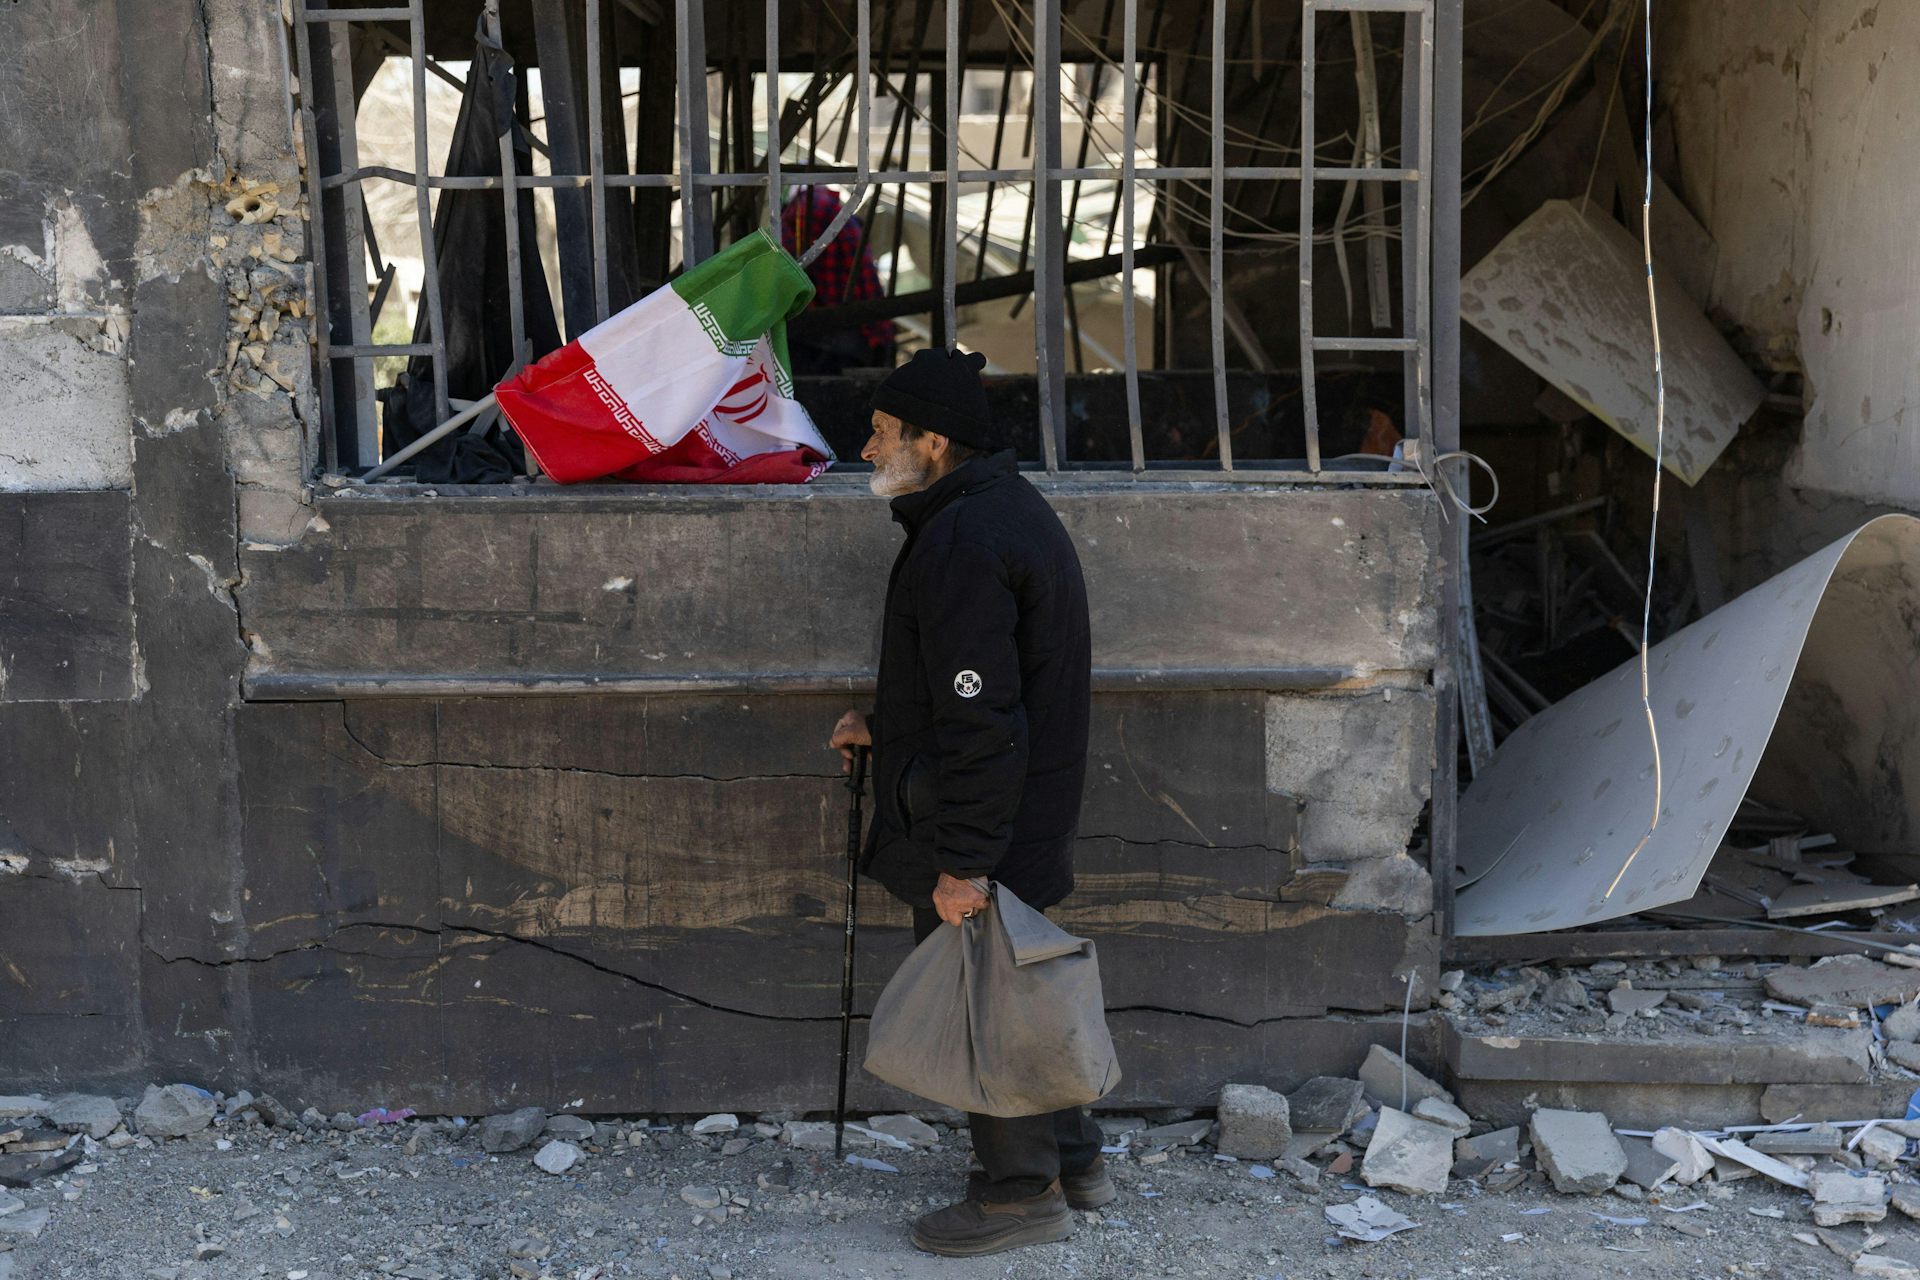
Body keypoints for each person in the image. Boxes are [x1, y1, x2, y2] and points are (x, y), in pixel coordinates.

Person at [828, 347, 1106, 1257]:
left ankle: (1019, 1195)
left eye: (880, 432)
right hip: (1015, 809)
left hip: (986, 824)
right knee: (1020, 990)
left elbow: (984, 720)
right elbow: (978, 685)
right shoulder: (992, 512)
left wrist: (965, 865)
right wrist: (891, 725)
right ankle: (1073, 1160)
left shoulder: (963, 540)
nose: (867, 448)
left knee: (991, 1003)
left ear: (932, 440)